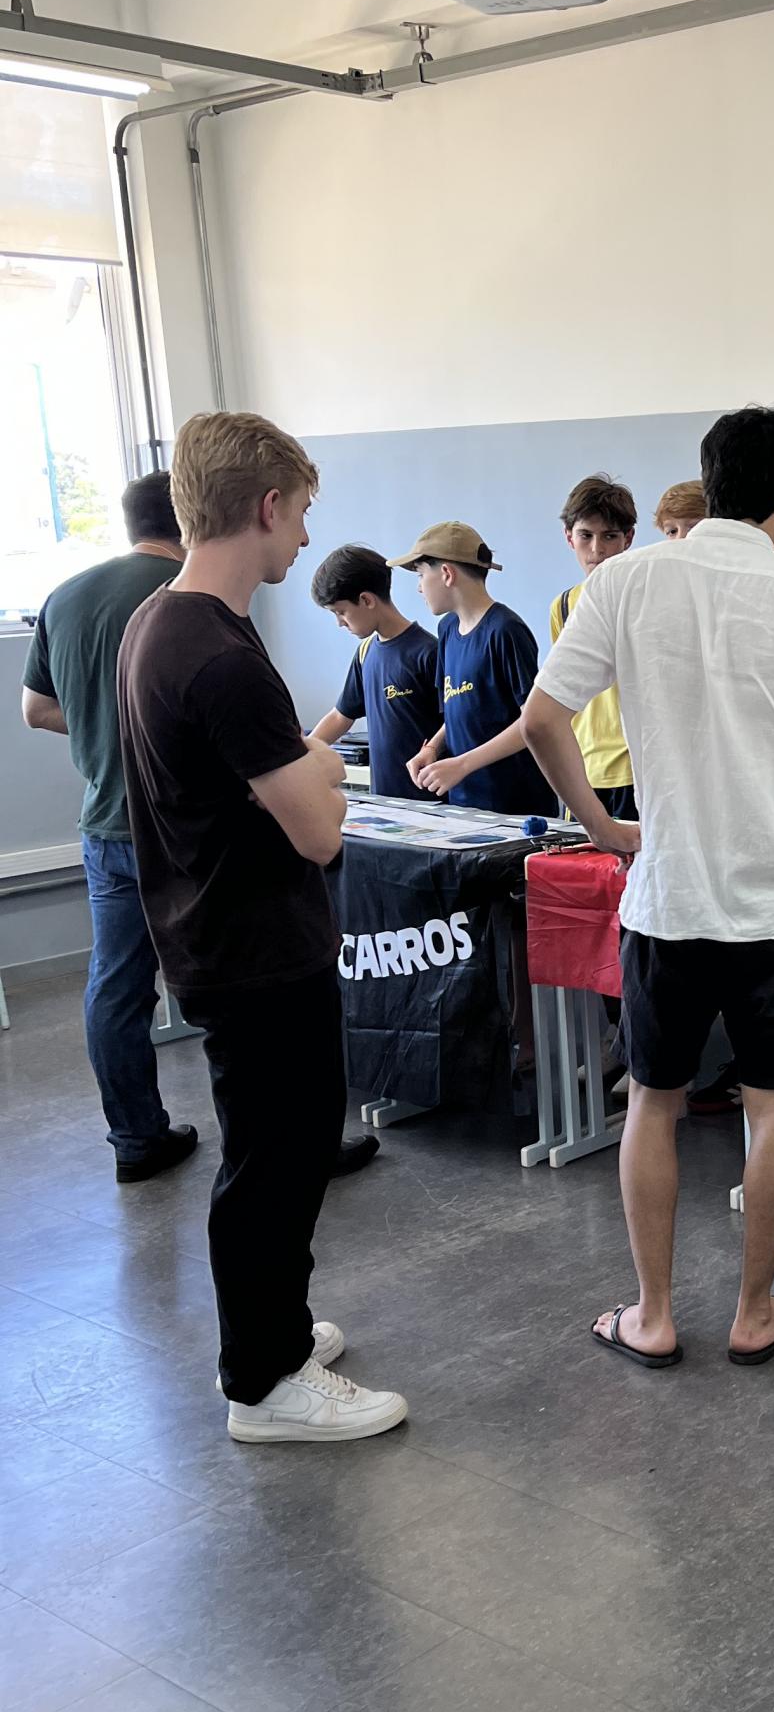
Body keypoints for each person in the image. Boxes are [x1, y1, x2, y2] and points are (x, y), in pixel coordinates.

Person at [523, 405, 774, 1369]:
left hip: (666, 898)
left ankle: (653, 1314)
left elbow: (543, 720)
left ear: (710, 487)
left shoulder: (624, 581)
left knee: (653, 1101)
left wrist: (606, 830)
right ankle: (756, 1313)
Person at [116, 412, 407, 1443]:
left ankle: (272, 1329)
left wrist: (300, 762)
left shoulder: (164, 620)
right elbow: (321, 833)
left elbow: (276, 779)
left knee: (276, 1148)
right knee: (275, 1161)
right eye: (302, 515)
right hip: (252, 951)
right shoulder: (219, 656)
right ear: (269, 506)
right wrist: (320, 764)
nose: (305, 540)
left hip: (222, 936)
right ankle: (264, 1381)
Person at [18, 471, 194, 1181]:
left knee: (116, 990)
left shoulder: (64, 597)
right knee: (239, 986)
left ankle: (136, 1141)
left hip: (105, 829)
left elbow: (36, 710)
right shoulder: (186, 594)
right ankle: (278, 1142)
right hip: (182, 830)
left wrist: (104, 726)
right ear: (187, 516)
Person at [397, 521, 555, 815]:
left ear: (447, 574)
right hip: (465, 801)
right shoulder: (447, 629)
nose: (419, 587)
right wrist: (432, 748)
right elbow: (461, 709)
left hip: (515, 805)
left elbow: (533, 722)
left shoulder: (506, 630)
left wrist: (462, 765)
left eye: (421, 575)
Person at [306, 544, 441, 799]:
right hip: (384, 800)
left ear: (367, 600)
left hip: (430, 802)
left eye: (341, 612)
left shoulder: (428, 653)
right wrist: (301, 755)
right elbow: (341, 716)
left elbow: (454, 724)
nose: (339, 623)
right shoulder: (365, 653)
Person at [549, 474, 637, 821]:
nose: (597, 550)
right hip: (583, 768)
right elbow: (560, 695)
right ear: (568, 537)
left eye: (609, 536)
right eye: (586, 535)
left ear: (628, 538)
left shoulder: (643, 599)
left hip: (636, 768)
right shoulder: (563, 607)